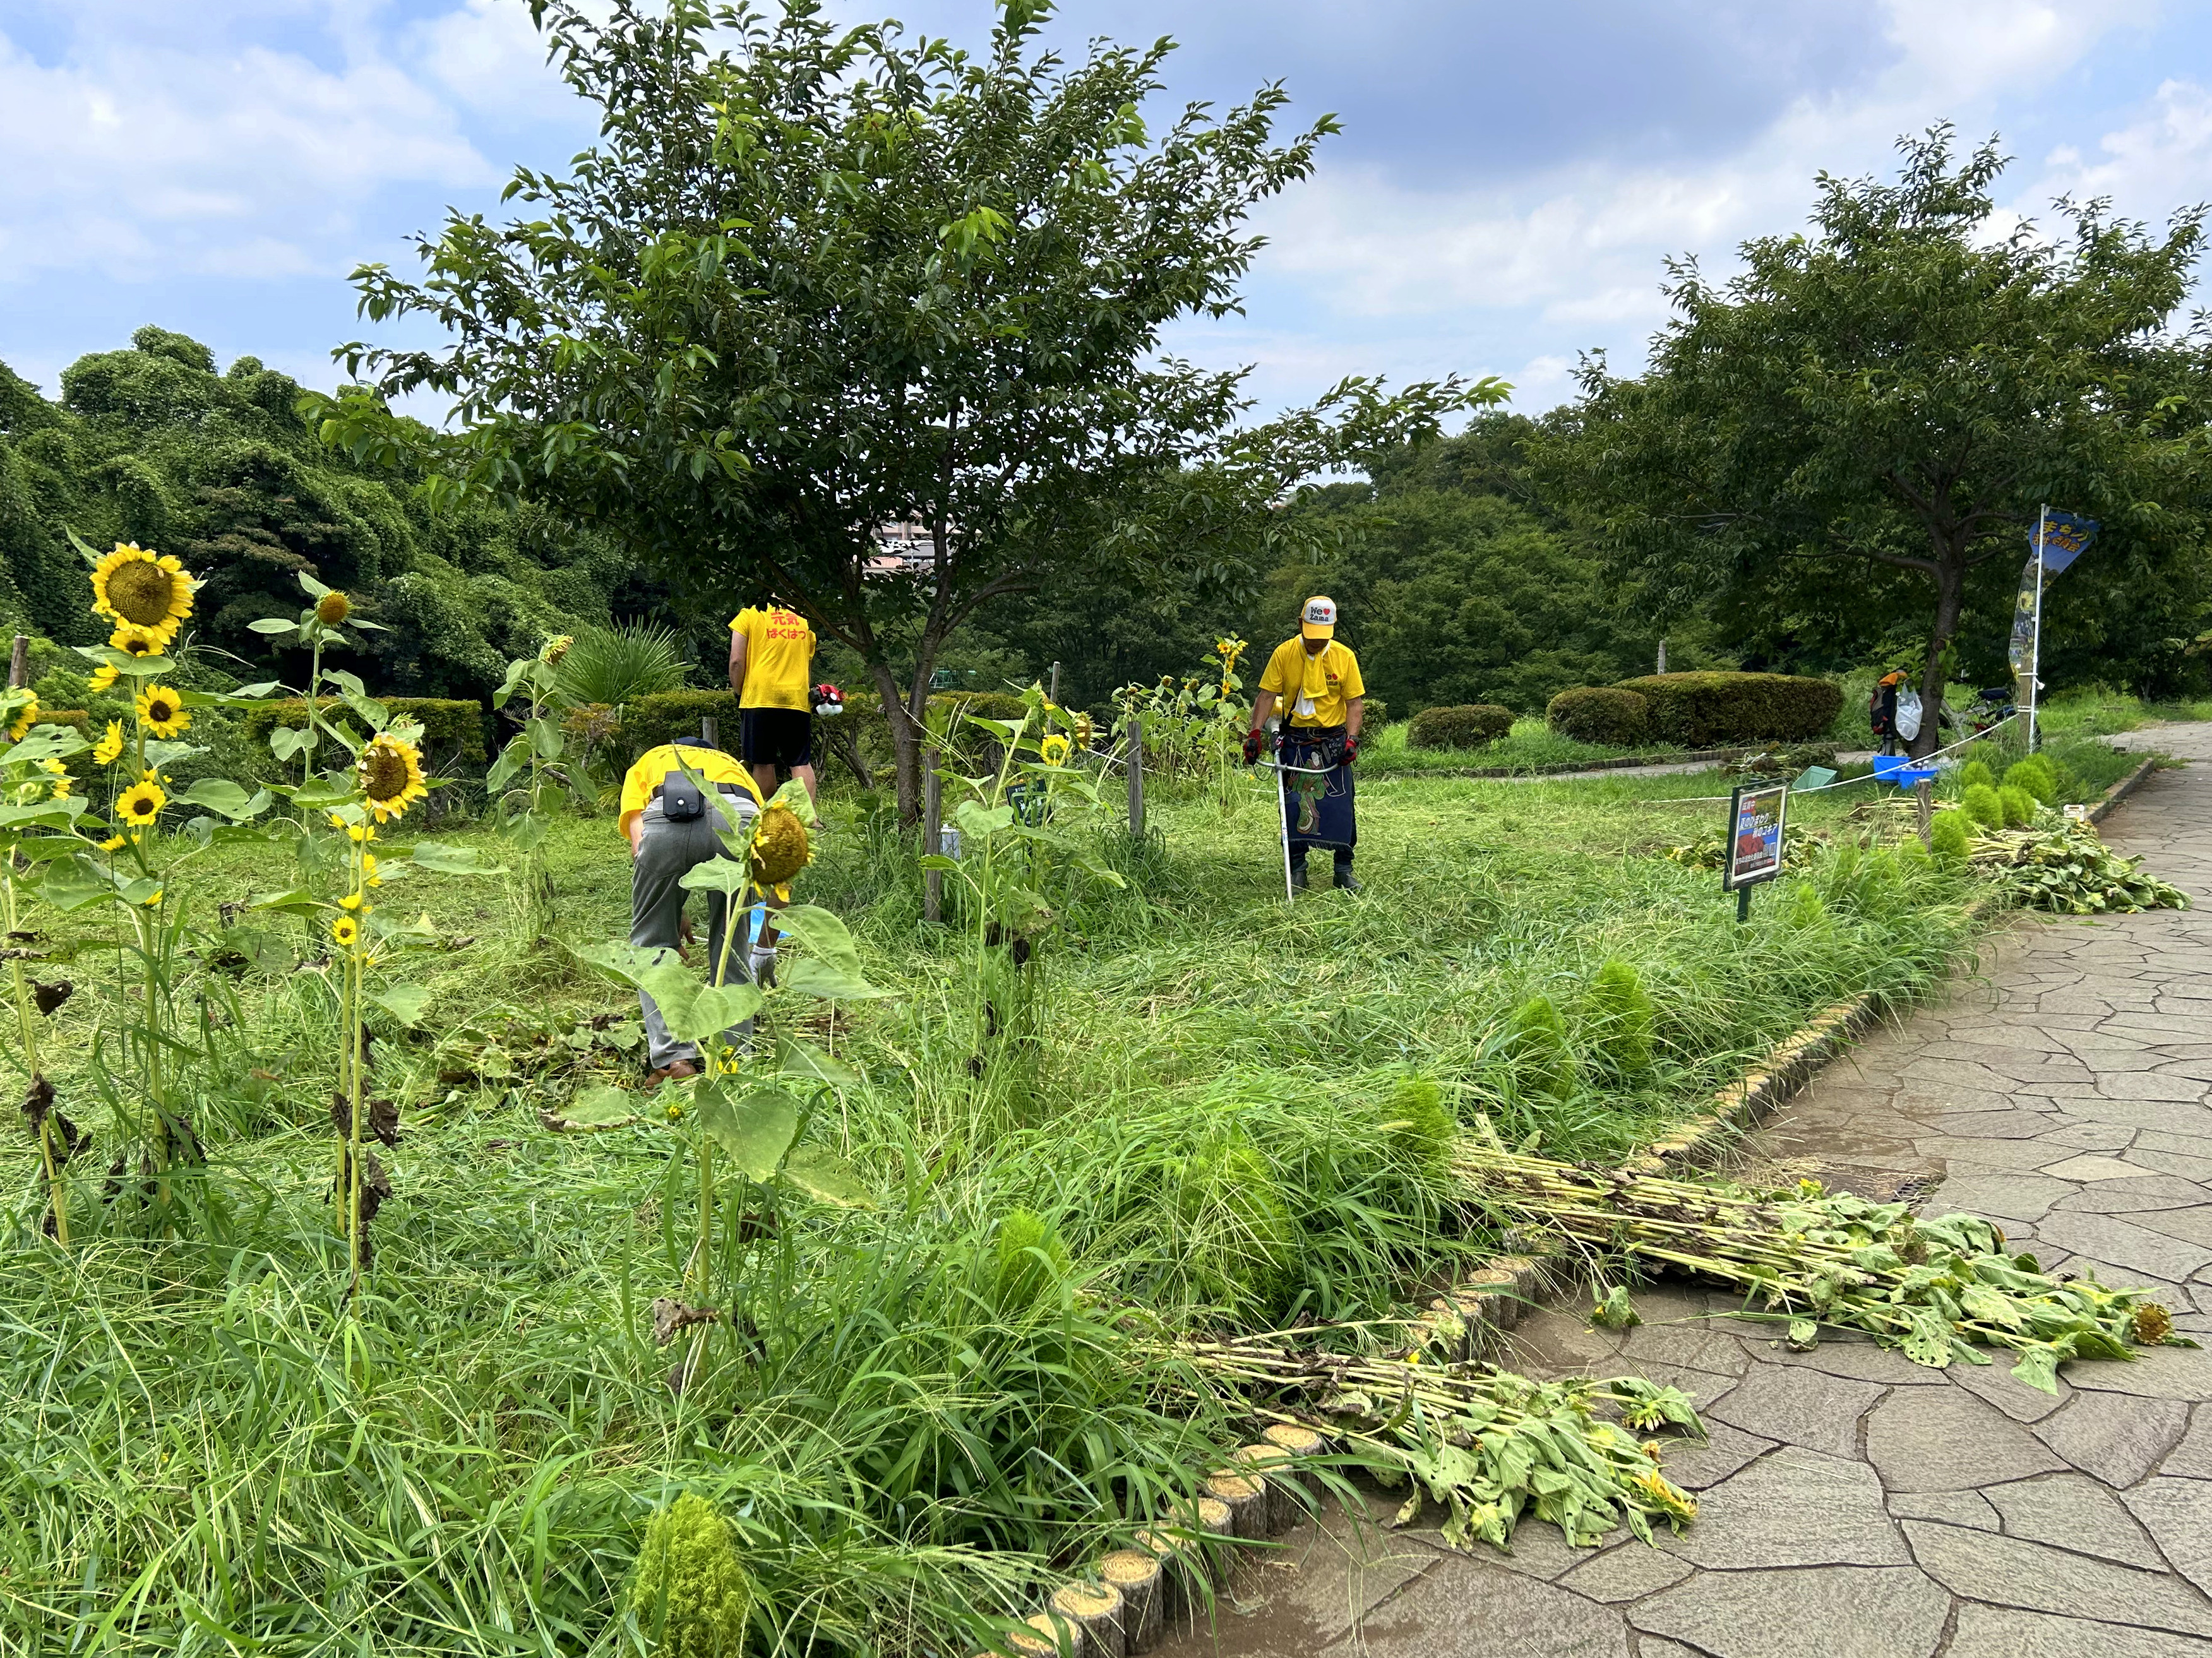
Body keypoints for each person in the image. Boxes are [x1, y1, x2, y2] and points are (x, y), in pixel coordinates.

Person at [618, 734, 767, 1085]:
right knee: (732, 939)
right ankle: (734, 1052)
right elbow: (757, 818)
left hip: (668, 815)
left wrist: (667, 908)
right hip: (739, 819)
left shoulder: (652, 757)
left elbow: (642, 841)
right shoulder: (734, 767)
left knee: (651, 942)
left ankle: (674, 1060)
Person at [1243, 595, 1365, 892]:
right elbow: (1266, 697)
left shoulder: (1344, 657)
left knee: (1340, 805)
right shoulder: (1284, 654)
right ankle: (1297, 870)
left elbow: (1354, 704)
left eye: (1322, 638)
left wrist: (1352, 739)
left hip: (1333, 741)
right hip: (1295, 740)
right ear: (1301, 624)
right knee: (1294, 806)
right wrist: (1255, 733)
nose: (1316, 643)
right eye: (1311, 636)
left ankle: (1343, 870)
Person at [728, 602, 819, 804]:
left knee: (763, 763)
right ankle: (809, 820)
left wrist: (739, 691)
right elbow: (808, 665)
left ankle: (766, 815)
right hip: (796, 699)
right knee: (800, 762)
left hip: (759, 697)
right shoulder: (804, 620)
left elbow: (736, 661)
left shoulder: (750, 615)